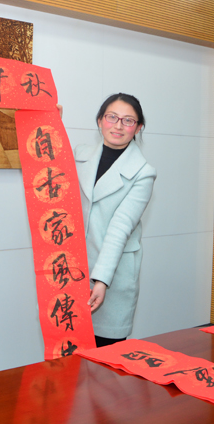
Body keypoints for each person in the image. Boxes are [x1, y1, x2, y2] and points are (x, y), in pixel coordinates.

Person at [74, 93, 156, 347]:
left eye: (128, 120)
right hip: (73, 269)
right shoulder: (78, 156)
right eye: (112, 117)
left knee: (104, 355)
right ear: (100, 120)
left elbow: (120, 229)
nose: (118, 126)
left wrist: (101, 280)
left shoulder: (143, 173)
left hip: (113, 273)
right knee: (68, 351)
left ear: (138, 128)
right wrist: (49, 122)